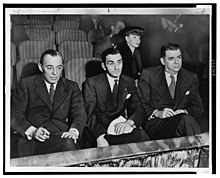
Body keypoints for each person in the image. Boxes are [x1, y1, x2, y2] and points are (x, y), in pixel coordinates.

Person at [11, 49, 87, 157]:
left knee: (70, 143)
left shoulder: (71, 86)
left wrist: (73, 131)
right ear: (40, 67)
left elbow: (79, 114)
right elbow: (15, 115)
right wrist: (32, 131)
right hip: (35, 141)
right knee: (70, 146)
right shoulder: (26, 84)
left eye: (59, 68)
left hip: (63, 135)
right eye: (49, 68)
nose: (55, 73)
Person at [83, 47, 149, 148]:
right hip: (101, 130)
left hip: (121, 126)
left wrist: (129, 122)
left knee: (141, 135)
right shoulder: (91, 83)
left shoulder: (128, 81)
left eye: (119, 62)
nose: (117, 67)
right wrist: (99, 136)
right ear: (104, 66)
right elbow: (89, 114)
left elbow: (139, 108)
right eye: (111, 63)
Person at [137, 43, 204, 140]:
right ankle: (201, 149)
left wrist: (184, 111)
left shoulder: (190, 77)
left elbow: (198, 107)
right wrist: (157, 113)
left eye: (179, 57)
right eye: (171, 59)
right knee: (186, 120)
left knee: (185, 119)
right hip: (157, 124)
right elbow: (140, 104)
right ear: (163, 61)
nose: (177, 62)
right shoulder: (149, 75)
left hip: (181, 123)